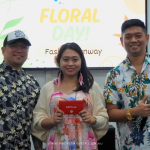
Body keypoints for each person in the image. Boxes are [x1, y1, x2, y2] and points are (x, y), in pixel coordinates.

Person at [32, 42, 108, 150]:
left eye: (75, 59)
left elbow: (104, 117)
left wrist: (92, 120)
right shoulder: (48, 88)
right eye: (66, 59)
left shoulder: (91, 86)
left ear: (81, 61)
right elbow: (37, 120)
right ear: (59, 61)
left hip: (85, 145)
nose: (70, 63)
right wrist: (52, 121)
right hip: (57, 145)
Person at [103, 19, 150, 150]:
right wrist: (134, 111)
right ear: (122, 41)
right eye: (128, 37)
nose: (133, 40)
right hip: (129, 145)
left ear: (147, 38)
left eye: (138, 35)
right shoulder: (114, 75)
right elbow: (110, 113)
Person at [0, 30, 42, 150]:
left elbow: (35, 124)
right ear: (3, 50)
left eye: (24, 47)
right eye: (13, 46)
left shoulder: (33, 84)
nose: (19, 50)